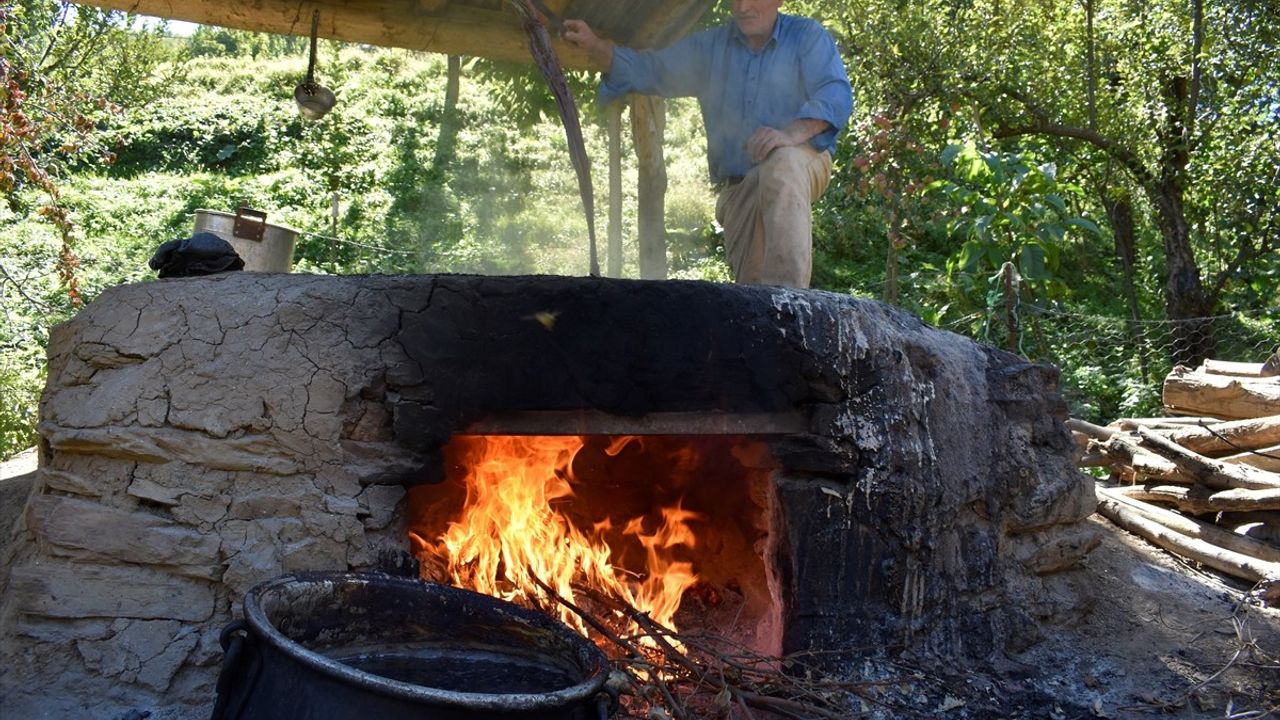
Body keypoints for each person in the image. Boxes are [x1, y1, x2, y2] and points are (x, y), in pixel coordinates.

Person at [563, 0, 852, 288]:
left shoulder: (807, 36)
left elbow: (836, 95)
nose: (742, 7)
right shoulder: (709, 48)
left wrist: (789, 134)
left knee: (782, 163)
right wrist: (595, 46)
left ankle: (793, 303)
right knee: (752, 300)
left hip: (803, 158)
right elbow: (650, 69)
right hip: (740, 188)